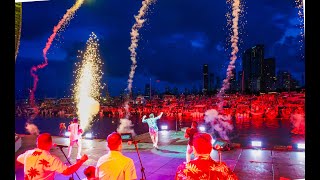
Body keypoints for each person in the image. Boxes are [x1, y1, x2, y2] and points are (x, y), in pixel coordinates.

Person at [16, 133, 89, 180]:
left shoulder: (27, 154)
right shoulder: (50, 159)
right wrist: (81, 161)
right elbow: (67, 171)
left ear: (37, 143)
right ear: (50, 144)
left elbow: (18, 161)